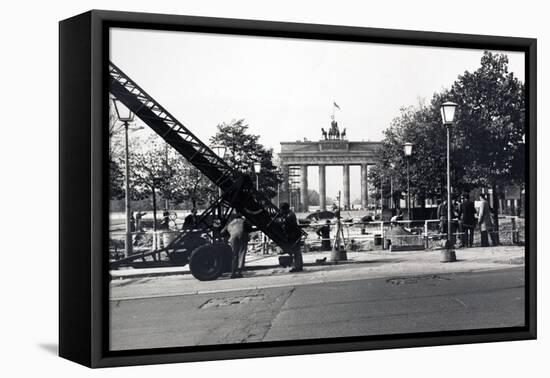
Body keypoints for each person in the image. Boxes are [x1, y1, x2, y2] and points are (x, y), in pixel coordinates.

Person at [221, 213, 253, 278]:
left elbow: (222, 232)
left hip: (233, 238)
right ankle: (239, 272)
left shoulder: (230, 223)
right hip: (242, 237)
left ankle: (233, 273)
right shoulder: (243, 221)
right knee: (241, 254)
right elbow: (249, 228)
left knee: (234, 255)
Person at [280, 202, 303, 272]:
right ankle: (298, 266)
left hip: (294, 235)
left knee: (296, 251)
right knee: (297, 251)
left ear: (285, 209)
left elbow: (288, 227)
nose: (281, 211)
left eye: (281, 210)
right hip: (295, 234)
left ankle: (298, 267)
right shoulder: (290, 214)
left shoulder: (289, 216)